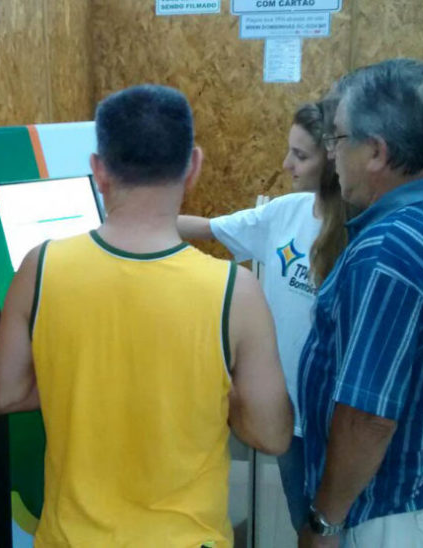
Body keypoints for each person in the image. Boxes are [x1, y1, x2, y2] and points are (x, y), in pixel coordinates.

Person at [0, 84, 293, 547]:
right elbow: (272, 434)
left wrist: (85, 387)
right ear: (193, 166)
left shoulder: (40, 267)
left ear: (98, 169)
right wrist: (200, 393)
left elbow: (3, 394)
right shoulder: (236, 291)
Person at [298, 59, 423, 548]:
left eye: (337, 139)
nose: (332, 155)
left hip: (401, 514)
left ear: (376, 152)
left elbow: (368, 418)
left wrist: (325, 522)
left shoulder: (389, 250)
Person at [178, 100, 349, 532]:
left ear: (332, 163)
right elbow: (209, 228)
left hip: (334, 420)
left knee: (338, 528)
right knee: (304, 524)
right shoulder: (285, 212)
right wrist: (132, 221)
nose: (286, 163)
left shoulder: (358, 232)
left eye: (300, 155)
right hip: (287, 414)